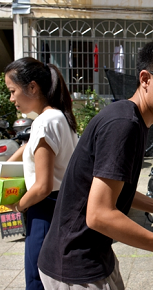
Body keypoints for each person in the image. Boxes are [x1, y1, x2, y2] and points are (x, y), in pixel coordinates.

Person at [37, 37, 153, 289]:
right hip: (77, 265)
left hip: (93, 255)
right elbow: (99, 215)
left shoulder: (131, 118)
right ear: (145, 79)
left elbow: (117, 191)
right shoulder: (124, 125)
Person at [4, 57, 78, 290]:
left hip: (45, 209)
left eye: (13, 91)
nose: (11, 98)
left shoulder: (45, 122)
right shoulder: (57, 117)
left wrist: (19, 206)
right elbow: (30, 148)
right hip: (60, 207)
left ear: (32, 87)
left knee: (37, 280)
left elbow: (43, 185)